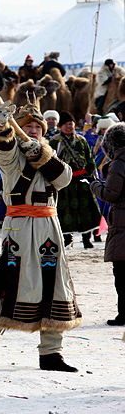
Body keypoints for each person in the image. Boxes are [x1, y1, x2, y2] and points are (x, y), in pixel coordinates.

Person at [0, 100, 81, 373]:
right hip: (19, 226)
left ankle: (51, 354)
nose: (33, 130)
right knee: (11, 286)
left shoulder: (50, 153)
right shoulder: (11, 157)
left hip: (49, 226)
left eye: (37, 126)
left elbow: (64, 179)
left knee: (55, 287)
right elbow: (4, 146)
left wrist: (43, 155)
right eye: (27, 126)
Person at [49, 111, 101, 248]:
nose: (69, 127)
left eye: (71, 124)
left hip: (82, 180)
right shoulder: (55, 142)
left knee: (86, 211)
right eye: (66, 124)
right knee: (65, 211)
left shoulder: (81, 140)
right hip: (64, 182)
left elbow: (89, 159)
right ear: (60, 126)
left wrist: (92, 174)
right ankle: (67, 237)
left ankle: (86, 238)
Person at [90, 123, 125, 326]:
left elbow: (111, 194)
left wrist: (93, 183)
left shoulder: (119, 162)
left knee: (121, 273)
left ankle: (124, 314)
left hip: (122, 222)